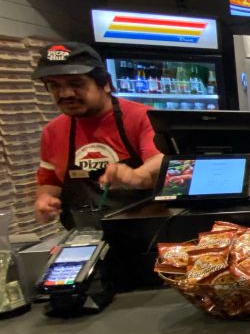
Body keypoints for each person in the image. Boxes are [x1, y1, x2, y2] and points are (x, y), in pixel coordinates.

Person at [33, 42, 163, 228]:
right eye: (54, 86)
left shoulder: (141, 117)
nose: (66, 93)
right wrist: (46, 199)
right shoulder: (52, 131)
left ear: (106, 84)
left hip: (144, 235)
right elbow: (50, 180)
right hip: (82, 237)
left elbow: (160, 158)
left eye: (76, 84)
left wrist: (137, 175)